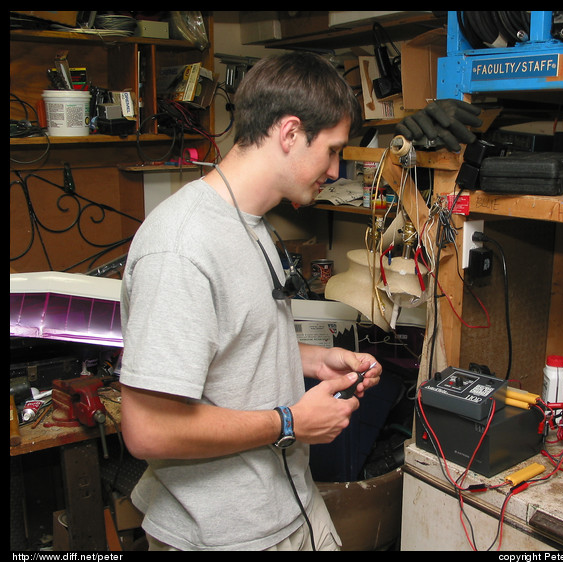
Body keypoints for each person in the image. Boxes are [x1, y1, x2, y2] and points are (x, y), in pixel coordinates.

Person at [119, 51, 381, 551]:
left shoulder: (252, 221)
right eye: (331, 150)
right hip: (223, 536)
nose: (334, 169)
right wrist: (291, 422)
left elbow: (229, 342)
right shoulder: (181, 245)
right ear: (289, 133)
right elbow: (148, 429)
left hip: (292, 509)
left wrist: (314, 360)